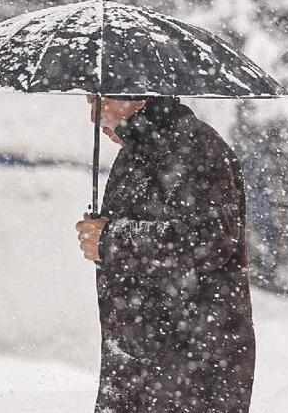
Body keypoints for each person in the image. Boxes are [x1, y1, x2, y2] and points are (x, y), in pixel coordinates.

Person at [76, 95, 256, 412]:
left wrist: (110, 240)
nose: (94, 117)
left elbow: (209, 239)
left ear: (139, 96)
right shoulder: (136, 155)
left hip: (190, 368)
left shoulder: (195, 147)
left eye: (100, 102)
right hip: (140, 363)